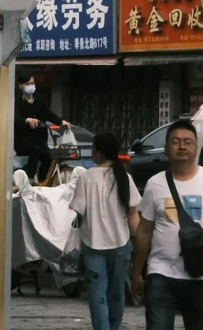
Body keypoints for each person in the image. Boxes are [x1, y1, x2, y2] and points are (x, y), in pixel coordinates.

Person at [129, 120, 203, 330]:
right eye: (175, 142)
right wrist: (136, 273)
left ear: (196, 148)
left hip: (200, 274)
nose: (182, 146)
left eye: (188, 142)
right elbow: (144, 231)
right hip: (161, 273)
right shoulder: (154, 184)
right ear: (167, 149)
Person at [71, 131, 141, 330]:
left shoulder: (86, 177)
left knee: (97, 293)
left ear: (99, 153)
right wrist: (139, 243)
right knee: (117, 292)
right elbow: (133, 214)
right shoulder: (124, 177)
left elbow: (79, 211)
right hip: (120, 244)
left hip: (92, 243)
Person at [15, 77, 60, 176]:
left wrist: (61, 122)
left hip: (40, 139)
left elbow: (49, 114)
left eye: (32, 83)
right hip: (23, 140)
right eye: (27, 84)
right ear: (20, 86)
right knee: (34, 150)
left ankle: (42, 182)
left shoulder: (40, 99)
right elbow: (15, 118)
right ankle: (29, 178)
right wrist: (28, 120)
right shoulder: (16, 101)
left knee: (47, 157)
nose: (31, 86)